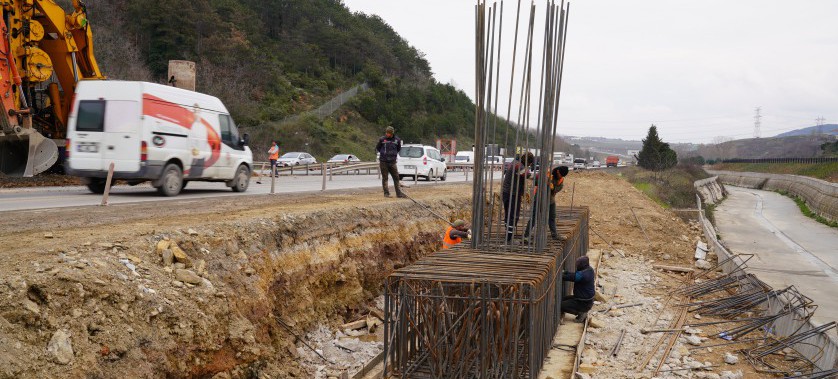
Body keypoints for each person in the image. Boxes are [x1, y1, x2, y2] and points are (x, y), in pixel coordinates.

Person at [524, 165, 570, 241]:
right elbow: (535, 182)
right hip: (540, 198)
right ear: (558, 171)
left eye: (562, 176)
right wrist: (544, 181)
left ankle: (554, 235)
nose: (561, 177)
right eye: (560, 175)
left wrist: (552, 187)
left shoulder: (560, 179)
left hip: (550, 200)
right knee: (534, 217)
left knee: (552, 218)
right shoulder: (547, 174)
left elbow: (558, 189)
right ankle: (526, 236)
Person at [501, 152, 534, 242]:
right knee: (513, 216)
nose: (530, 165)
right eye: (530, 164)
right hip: (512, 194)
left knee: (509, 215)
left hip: (508, 192)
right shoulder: (518, 165)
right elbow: (526, 174)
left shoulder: (515, 162)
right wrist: (540, 176)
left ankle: (508, 235)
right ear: (528, 162)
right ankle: (509, 238)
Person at [562, 256, 596, 322]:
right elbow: (574, 275)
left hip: (583, 303)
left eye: (578, 263)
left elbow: (572, 277)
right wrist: (566, 272)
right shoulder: (589, 269)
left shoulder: (583, 275)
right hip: (583, 299)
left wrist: (562, 275)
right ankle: (581, 311)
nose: (576, 265)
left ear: (582, 264)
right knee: (563, 299)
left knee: (561, 305)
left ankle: (581, 313)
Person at [376, 126, 405, 198]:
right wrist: (384, 154)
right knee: (385, 178)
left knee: (396, 177)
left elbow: (398, 149)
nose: (386, 134)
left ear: (391, 133)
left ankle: (399, 193)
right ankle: (386, 193)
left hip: (392, 162)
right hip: (383, 161)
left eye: (388, 133)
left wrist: (392, 154)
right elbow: (378, 148)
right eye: (386, 132)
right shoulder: (382, 139)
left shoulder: (397, 140)